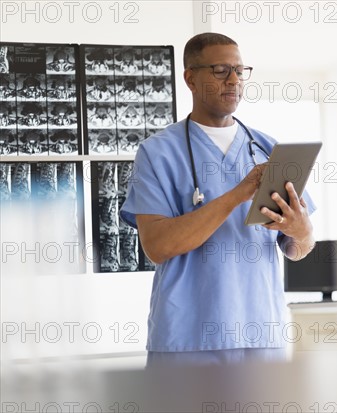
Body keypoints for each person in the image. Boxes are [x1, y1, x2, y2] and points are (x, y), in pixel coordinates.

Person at [119, 33, 316, 366]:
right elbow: (158, 245)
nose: (234, 80)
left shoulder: (269, 149)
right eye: (221, 69)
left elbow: (299, 248)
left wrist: (300, 231)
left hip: (262, 335)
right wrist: (238, 194)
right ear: (190, 78)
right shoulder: (157, 153)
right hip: (187, 338)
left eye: (241, 70)